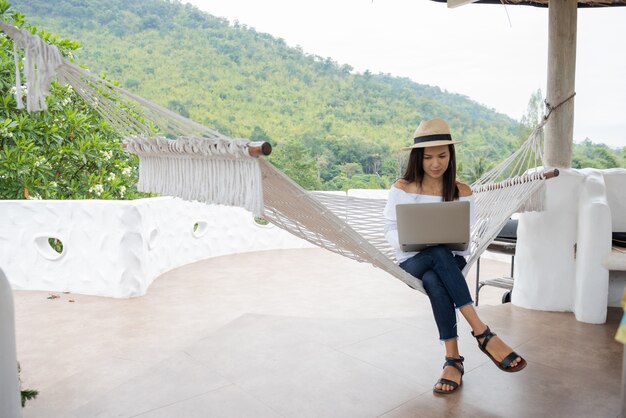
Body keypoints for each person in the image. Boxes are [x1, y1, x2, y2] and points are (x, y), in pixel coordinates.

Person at [383, 118, 526, 395]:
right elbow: (390, 228)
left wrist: (446, 245)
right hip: (413, 260)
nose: (435, 163)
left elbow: (463, 237)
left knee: (437, 278)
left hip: (451, 259)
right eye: (428, 157)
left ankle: (453, 361)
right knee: (435, 253)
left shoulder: (463, 191)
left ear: (451, 155)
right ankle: (483, 333)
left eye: (442, 156)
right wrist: (409, 243)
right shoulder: (403, 188)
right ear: (417, 158)